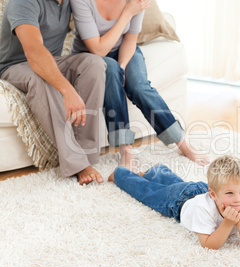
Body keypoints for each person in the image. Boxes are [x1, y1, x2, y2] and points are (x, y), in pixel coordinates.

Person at [69, 0, 210, 172]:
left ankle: (181, 141)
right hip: (91, 56)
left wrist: (122, 66)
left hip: (124, 49)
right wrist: (127, 13)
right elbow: (98, 50)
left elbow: (130, 39)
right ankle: (125, 148)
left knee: (139, 87)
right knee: (111, 71)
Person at [0, 0, 107, 185]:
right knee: (42, 80)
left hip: (53, 60)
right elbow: (34, 51)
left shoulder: (68, 2)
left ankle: (86, 154)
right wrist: (67, 90)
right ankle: (77, 164)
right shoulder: (22, 2)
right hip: (16, 65)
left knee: (94, 64)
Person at [108, 155, 240, 249]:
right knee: (149, 192)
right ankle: (120, 174)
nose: (237, 199)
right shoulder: (204, 207)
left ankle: (157, 171)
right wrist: (228, 223)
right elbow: (209, 244)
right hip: (179, 200)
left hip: (200, 190)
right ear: (214, 195)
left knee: (178, 184)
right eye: (230, 193)